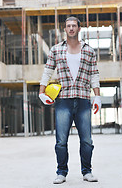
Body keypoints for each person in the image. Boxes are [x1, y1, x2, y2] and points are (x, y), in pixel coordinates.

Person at [39, 16, 101, 184]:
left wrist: (97, 96)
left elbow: (94, 74)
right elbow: (48, 71)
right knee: (61, 141)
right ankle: (61, 172)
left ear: (79, 29)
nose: (71, 28)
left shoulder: (89, 50)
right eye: (68, 26)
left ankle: (87, 172)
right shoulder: (56, 50)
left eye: (74, 25)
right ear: (65, 29)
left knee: (87, 140)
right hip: (63, 101)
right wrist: (41, 92)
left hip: (83, 100)